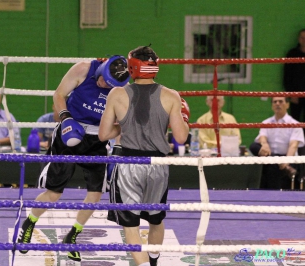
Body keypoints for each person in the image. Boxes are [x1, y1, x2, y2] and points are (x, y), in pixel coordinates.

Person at [17, 55, 130, 262]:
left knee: (95, 194)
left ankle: (72, 236)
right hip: (70, 129)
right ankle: (29, 223)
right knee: (53, 193)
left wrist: (117, 147)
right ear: (103, 67)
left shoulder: (123, 92)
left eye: (109, 85)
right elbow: (59, 94)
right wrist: (65, 116)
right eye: (104, 79)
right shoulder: (83, 69)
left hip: (98, 139)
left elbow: (123, 125)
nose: (104, 84)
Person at [98, 46, 190, 266]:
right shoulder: (171, 96)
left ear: (132, 67)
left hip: (129, 165)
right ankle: (154, 261)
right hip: (158, 166)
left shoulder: (117, 94)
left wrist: (124, 127)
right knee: (155, 220)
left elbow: (103, 135)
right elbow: (180, 137)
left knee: (131, 227)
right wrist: (185, 118)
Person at [249, 97, 304, 189]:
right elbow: (262, 136)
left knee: (272, 167)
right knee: (254, 146)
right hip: (270, 156)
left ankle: (273, 197)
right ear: (272, 106)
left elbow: (293, 145)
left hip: (287, 158)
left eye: (280, 101)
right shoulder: (266, 122)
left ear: (287, 104)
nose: (277, 104)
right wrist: (264, 144)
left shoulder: (295, 124)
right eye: (275, 102)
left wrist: (286, 161)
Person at [283, 29, 305, 122]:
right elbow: (287, 75)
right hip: (296, 94)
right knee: (294, 122)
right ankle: (295, 137)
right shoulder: (292, 54)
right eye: (302, 37)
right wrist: (291, 93)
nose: (304, 40)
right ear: (298, 39)